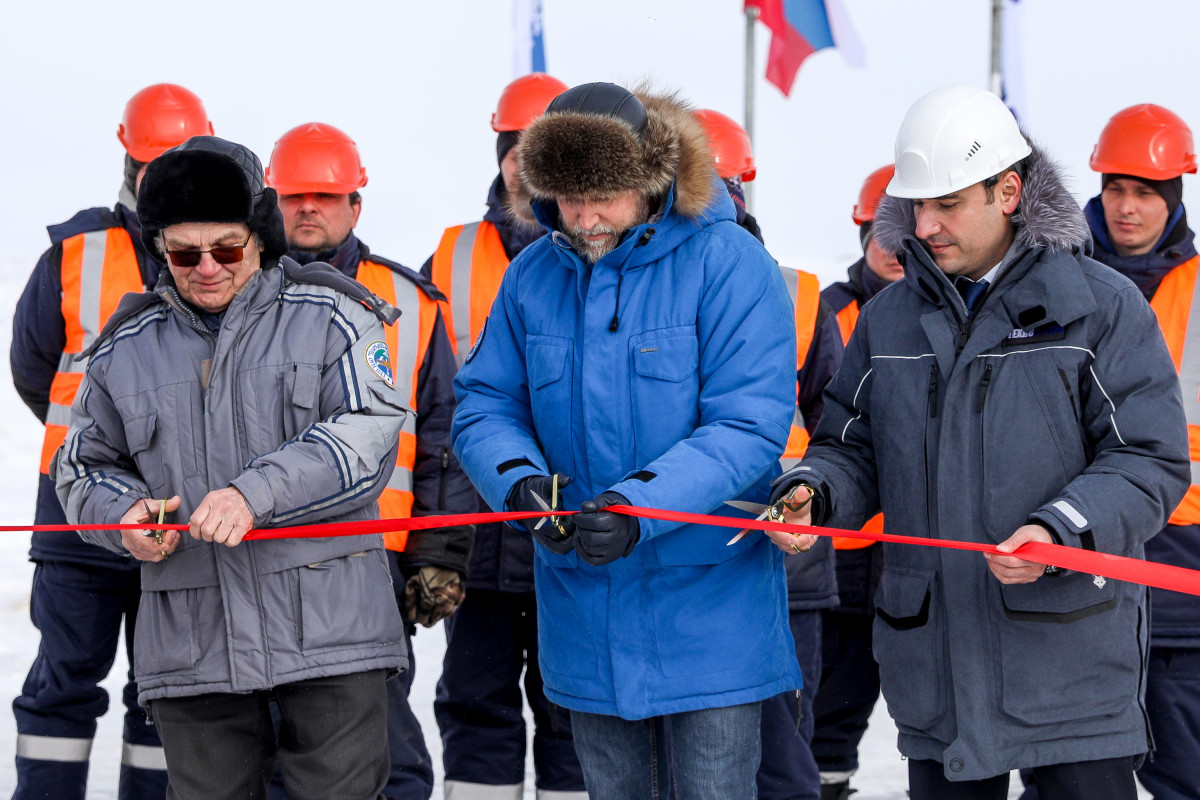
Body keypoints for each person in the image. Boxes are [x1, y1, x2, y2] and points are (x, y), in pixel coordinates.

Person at [771, 85, 1190, 800]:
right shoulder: (890, 319)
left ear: (1007, 191)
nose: (925, 225)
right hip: (938, 663)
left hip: (1071, 665)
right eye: (917, 206)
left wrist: (1060, 527)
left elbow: (1149, 458)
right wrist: (818, 491)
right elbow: (853, 444)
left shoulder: (1100, 306)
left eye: (947, 204)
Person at [452, 82, 803, 800]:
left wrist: (636, 506)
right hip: (585, 609)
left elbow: (749, 423)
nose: (585, 218)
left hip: (710, 613)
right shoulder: (532, 277)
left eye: (604, 195)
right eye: (568, 198)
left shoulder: (729, 264)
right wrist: (520, 485)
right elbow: (485, 404)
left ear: (651, 179)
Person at [55, 135, 410, 800]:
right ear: (161, 249)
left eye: (226, 248)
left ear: (260, 238)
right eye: (185, 253)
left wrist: (257, 493)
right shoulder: (122, 350)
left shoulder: (335, 316)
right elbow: (82, 467)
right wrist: (121, 514)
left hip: (332, 635)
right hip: (193, 647)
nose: (207, 267)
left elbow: (368, 434)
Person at [9, 82, 212, 800]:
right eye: (150, 163)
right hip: (78, 522)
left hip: (177, 521)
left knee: (165, 698)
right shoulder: (74, 251)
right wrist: (92, 457)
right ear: (128, 160)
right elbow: (35, 371)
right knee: (62, 684)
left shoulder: (217, 257)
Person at [265, 121, 473, 800]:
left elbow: (444, 438)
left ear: (357, 203)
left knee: (381, 736)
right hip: (258, 552)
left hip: (372, 557)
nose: (308, 209)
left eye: (325, 195)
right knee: (268, 735)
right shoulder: (237, 290)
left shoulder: (410, 302)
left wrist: (437, 553)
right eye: (294, 195)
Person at [421, 73, 590, 800]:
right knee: (476, 706)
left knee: (573, 714)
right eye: (516, 149)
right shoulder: (452, 254)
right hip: (481, 533)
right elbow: (429, 407)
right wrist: (436, 545)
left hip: (575, 530)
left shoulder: (606, 249)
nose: (527, 165)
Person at [696, 107, 843, 800]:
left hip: (784, 569)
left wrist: (808, 496)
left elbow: (841, 433)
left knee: (781, 757)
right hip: (684, 562)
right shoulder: (634, 299)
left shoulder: (798, 296)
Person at [1084, 104, 1200, 800]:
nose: (1127, 208)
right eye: (1116, 190)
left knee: (1184, 771)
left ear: (1174, 198)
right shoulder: (1060, 282)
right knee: (1070, 769)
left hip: (1184, 562)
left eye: (1146, 194)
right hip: (1082, 552)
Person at [811, 164, 899, 800]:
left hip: (918, 550)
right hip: (841, 554)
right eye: (881, 234)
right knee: (827, 711)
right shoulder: (830, 314)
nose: (894, 250)